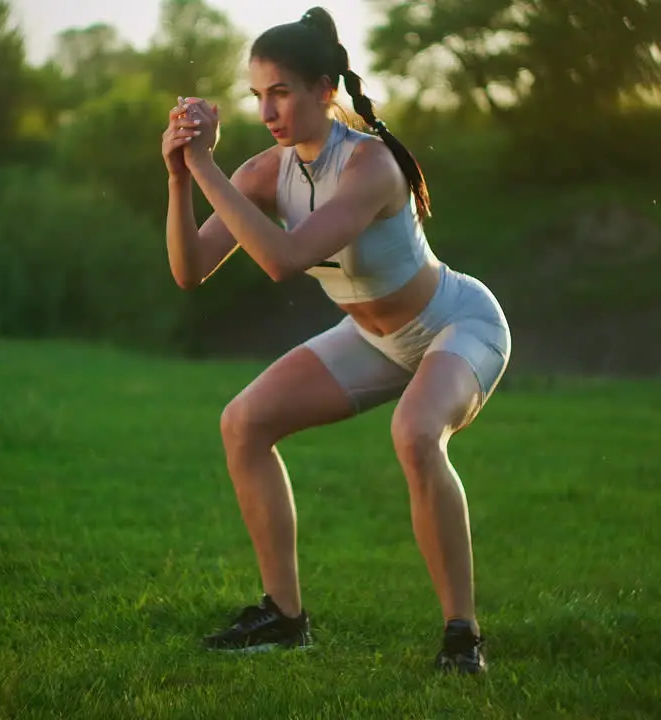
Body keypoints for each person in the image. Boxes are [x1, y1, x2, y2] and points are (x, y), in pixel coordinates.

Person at [160, 6, 511, 675]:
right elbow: (189, 269)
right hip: (373, 337)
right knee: (243, 422)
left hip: (456, 325)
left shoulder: (370, 166)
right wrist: (180, 174)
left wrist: (206, 167)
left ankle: (462, 638)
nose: (268, 110)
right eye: (258, 95)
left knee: (414, 435)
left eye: (281, 92)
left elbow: (283, 259)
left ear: (324, 90)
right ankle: (285, 618)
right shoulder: (269, 171)